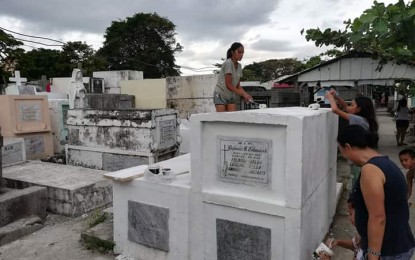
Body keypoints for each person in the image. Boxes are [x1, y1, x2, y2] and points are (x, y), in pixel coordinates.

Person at [337, 125, 415, 259]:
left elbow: (378, 218)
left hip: (387, 250)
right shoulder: (385, 163)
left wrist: (373, 255)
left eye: (341, 151)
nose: (345, 157)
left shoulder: (371, 169)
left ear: (348, 147)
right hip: (398, 244)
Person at [326, 90, 379, 186]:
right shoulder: (365, 120)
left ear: (359, 109)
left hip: (358, 160)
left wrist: (330, 98)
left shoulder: (358, 119)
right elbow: (345, 106)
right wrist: (336, 97)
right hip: (361, 158)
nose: (349, 106)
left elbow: (335, 110)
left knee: (357, 184)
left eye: (352, 105)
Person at [213, 42, 252, 112]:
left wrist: (246, 95)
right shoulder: (228, 63)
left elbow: (238, 86)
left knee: (231, 118)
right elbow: (229, 85)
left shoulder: (239, 66)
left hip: (231, 95)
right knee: (221, 120)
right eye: (239, 52)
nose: (241, 55)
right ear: (232, 52)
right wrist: (243, 94)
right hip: (221, 94)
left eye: (243, 53)